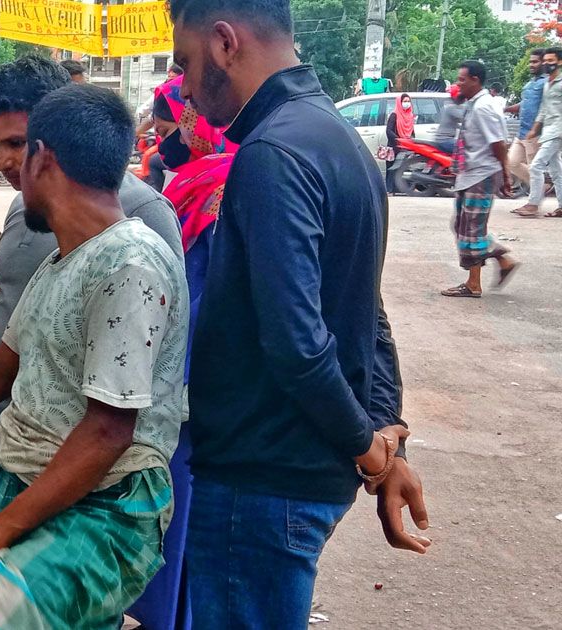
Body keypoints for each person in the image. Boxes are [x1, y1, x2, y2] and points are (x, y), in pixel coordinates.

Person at [0, 83, 188, 630]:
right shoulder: (61, 263)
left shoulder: (129, 264)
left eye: (19, 152)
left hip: (101, 514)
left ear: (42, 158)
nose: (6, 168)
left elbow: (107, 431)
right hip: (33, 491)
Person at [170, 1, 430, 627]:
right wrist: (383, 429)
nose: (183, 89)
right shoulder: (337, 138)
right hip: (295, 474)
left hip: (262, 479)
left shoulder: (272, 153)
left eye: (185, 61)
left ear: (224, 42)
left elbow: (297, 341)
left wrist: (373, 451)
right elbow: (368, 309)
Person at [126, 73, 237, 630]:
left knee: (182, 497)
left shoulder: (221, 190)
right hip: (170, 366)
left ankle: (177, 615)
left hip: (194, 376)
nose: (163, 129)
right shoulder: (189, 181)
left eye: (174, 116)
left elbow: (209, 292)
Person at [441, 60, 519, 298]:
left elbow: (498, 143)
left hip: (482, 173)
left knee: (472, 229)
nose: (458, 84)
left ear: (475, 80)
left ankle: (475, 282)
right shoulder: (473, 103)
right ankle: (502, 258)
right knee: (462, 226)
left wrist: (505, 175)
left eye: (462, 79)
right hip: (470, 172)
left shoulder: (485, 106)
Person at [515, 48, 562, 218]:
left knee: (536, 166)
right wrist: (534, 129)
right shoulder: (548, 83)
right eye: (546, 60)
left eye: (551, 60)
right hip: (548, 130)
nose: (547, 63)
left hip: (557, 131)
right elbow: (543, 109)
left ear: (559, 62)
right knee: (557, 170)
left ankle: (533, 204)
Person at [506, 49, 545, 190]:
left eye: (535, 62)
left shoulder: (546, 84)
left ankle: (534, 200)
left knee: (534, 168)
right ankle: (541, 187)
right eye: (530, 62)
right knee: (511, 162)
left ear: (543, 62)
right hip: (521, 132)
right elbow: (523, 105)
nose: (531, 65)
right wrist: (505, 109)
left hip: (535, 134)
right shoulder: (529, 85)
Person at [385, 93, 416, 193]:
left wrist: (411, 141)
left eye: (408, 101)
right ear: (399, 103)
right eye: (404, 101)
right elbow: (389, 131)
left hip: (405, 146)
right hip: (394, 147)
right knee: (392, 168)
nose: (406, 103)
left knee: (402, 169)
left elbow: (411, 132)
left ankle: (400, 190)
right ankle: (389, 190)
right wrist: (398, 139)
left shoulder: (410, 116)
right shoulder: (394, 115)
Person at [432, 84, 465, 154]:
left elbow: (460, 122)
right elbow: (464, 117)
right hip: (445, 140)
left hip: (447, 139)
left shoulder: (453, 106)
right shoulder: (451, 107)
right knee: (465, 152)